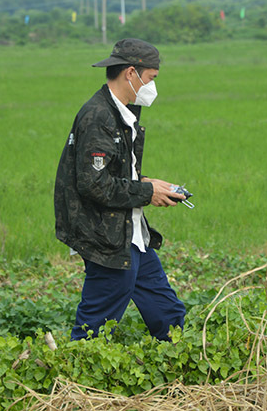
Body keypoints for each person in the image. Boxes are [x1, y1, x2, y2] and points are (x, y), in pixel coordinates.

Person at [54, 38, 186, 341]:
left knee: (167, 312)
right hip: (106, 237)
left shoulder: (125, 114)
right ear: (131, 73)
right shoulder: (98, 116)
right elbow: (92, 183)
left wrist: (153, 185)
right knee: (96, 324)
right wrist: (146, 192)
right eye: (151, 78)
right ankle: (74, 382)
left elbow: (116, 172)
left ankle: (177, 377)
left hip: (131, 231)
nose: (152, 86)